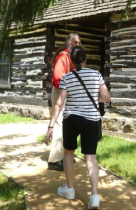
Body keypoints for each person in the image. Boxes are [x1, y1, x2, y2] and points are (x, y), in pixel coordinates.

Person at [45, 46, 111, 210]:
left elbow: (59, 103)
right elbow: (106, 97)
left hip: (71, 119)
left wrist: (51, 126)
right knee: (91, 157)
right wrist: (92, 97)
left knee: (68, 153)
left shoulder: (67, 77)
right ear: (86, 60)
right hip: (91, 120)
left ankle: (69, 189)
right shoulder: (96, 74)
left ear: (72, 63)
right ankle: (94, 197)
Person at [47, 33, 81, 171]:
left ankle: (63, 155)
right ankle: (54, 160)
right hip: (60, 92)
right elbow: (57, 78)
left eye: (79, 43)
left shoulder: (71, 57)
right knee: (60, 123)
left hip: (67, 92)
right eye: (75, 43)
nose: (78, 45)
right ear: (69, 43)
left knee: (66, 124)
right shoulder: (63, 56)